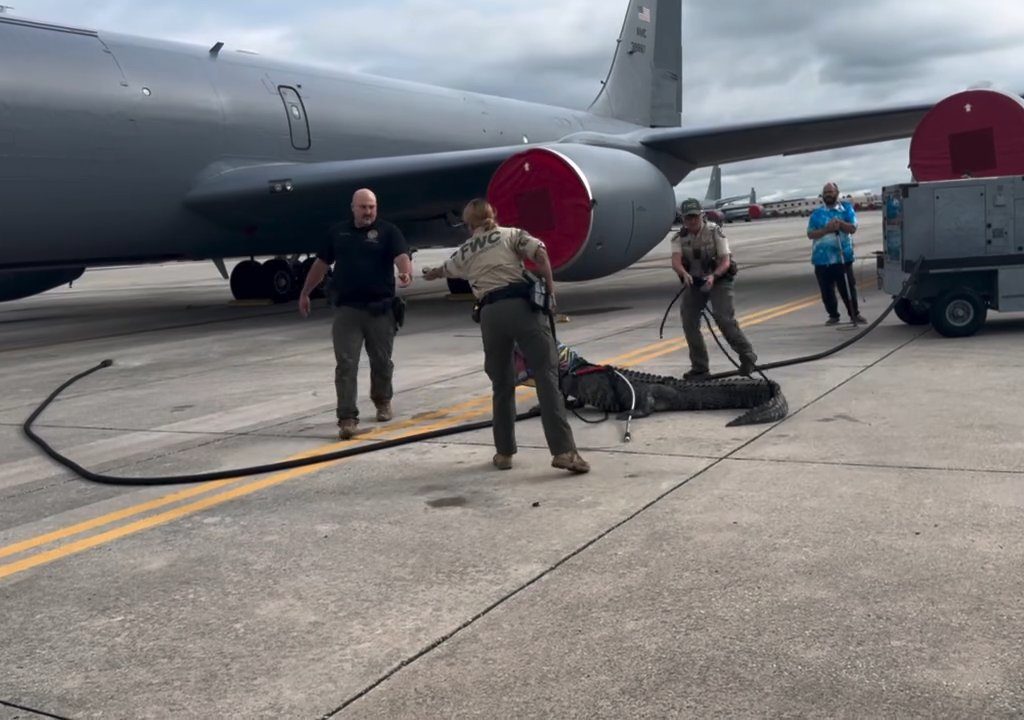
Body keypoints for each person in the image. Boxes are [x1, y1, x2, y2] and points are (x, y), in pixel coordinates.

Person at [421, 198, 590, 474]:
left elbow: (443, 269)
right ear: (492, 216)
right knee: (547, 378)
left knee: (501, 384)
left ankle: (504, 452)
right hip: (522, 307)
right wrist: (550, 291)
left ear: (469, 225)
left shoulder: (465, 250)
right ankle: (564, 452)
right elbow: (541, 255)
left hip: (490, 314)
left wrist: (430, 274)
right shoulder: (512, 235)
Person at [299, 188, 413, 440]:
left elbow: (402, 256)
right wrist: (306, 292)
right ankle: (347, 418)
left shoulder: (388, 231)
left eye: (371, 207)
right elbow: (320, 264)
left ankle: (382, 400)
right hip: (347, 310)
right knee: (346, 364)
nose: (368, 212)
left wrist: (405, 272)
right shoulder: (338, 232)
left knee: (382, 361)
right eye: (363, 207)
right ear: (353, 208)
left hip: (380, 309)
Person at [671, 198, 758, 379]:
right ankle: (700, 366)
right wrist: (684, 274)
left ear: (702, 215)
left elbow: (725, 261)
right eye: (688, 218)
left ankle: (747, 355)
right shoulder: (679, 238)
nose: (692, 221)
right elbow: (676, 261)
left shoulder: (715, 232)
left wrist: (714, 276)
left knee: (723, 317)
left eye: (695, 217)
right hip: (695, 281)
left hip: (719, 279)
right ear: (683, 219)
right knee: (688, 320)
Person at [807, 182, 867, 325]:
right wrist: (826, 230)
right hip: (822, 259)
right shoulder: (817, 214)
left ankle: (854, 314)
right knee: (827, 291)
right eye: (826, 192)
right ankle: (833, 315)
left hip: (842, 257)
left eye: (831, 192)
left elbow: (853, 228)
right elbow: (810, 234)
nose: (828, 195)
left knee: (847, 288)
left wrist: (840, 224)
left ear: (837, 193)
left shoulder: (846, 210)